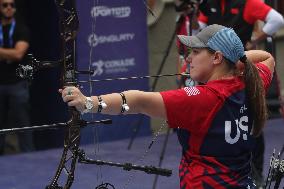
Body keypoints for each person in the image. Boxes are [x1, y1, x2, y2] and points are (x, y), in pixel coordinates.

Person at [60, 24, 275, 188]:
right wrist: (237, 61)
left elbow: (138, 101)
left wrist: (88, 103)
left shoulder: (201, 98)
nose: (189, 58)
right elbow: (268, 58)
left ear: (217, 57)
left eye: (196, 52)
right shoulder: (249, 82)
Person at [0, 0, 33, 155]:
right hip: (0, 83)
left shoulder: (21, 29)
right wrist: (9, 53)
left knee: (22, 123)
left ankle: (30, 156)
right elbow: (13, 53)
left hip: (17, 83)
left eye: (12, 5)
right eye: (4, 5)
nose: (8, 8)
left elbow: (18, 54)